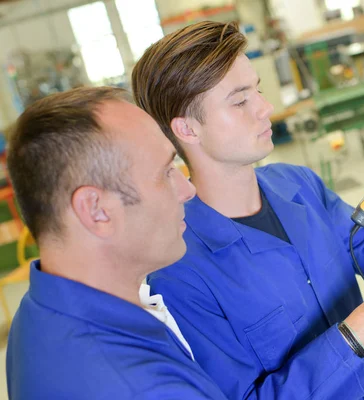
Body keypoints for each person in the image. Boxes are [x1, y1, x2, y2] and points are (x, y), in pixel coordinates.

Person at [132, 21, 364, 400]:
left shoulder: (299, 185)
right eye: (240, 101)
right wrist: (350, 341)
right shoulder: (178, 271)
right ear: (188, 130)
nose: (266, 107)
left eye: (257, 90)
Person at [6, 87, 228, 399]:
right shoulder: (143, 387)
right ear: (96, 210)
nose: (186, 189)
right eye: (165, 173)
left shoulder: (40, 309)